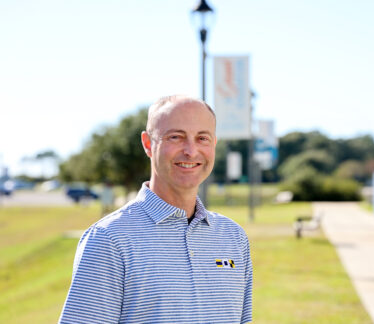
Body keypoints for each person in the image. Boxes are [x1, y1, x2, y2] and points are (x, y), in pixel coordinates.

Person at [59, 95, 253, 323]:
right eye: (175, 137)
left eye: (202, 138)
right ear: (148, 143)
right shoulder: (108, 239)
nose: (191, 151)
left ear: (214, 144)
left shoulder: (234, 237)